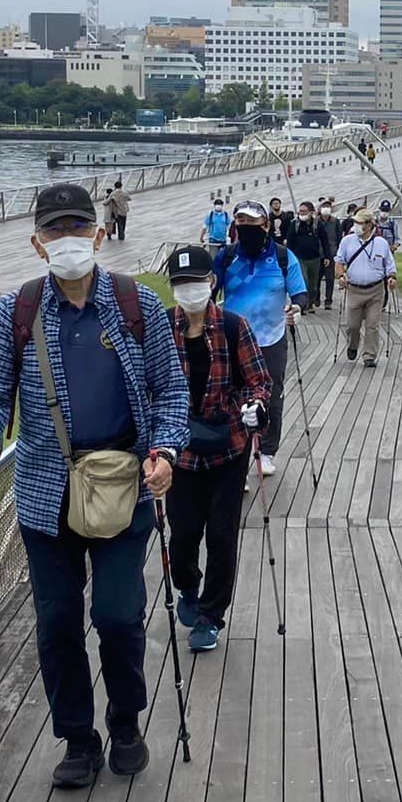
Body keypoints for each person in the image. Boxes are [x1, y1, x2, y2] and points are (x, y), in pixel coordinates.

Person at [0, 183, 187, 787]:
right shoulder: (17, 311)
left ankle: (125, 722)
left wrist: (166, 450)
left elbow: (171, 391)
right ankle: (78, 739)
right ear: (38, 244)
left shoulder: (136, 303)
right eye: (54, 231)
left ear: (98, 234)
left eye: (77, 229)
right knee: (58, 621)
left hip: (123, 486)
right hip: (45, 492)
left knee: (117, 615)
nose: (67, 241)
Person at [162, 245, 269, 653]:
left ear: (211, 282)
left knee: (222, 535)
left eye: (195, 282)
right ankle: (188, 585)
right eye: (180, 283)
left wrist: (255, 406)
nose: (188, 290)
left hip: (228, 445)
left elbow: (258, 380)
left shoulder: (232, 326)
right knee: (183, 532)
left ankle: (211, 615)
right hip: (179, 450)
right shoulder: (162, 327)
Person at [213, 201, 305, 476]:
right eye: (241, 222)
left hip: (271, 337)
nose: (245, 227)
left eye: (251, 223)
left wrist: (296, 308)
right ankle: (237, 455)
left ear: (265, 225)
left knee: (272, 396)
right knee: (231, 397)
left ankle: (266, 450)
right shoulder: (227, 257)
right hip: (232, 339)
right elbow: (211, 290)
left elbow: (300, 293)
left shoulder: (283, 257)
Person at [335, 205, 397, 366]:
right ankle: (353, 344)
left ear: (369, 225)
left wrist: (391, 277)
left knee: (372, 325)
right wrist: (341, 276)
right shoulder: (347, 241)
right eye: (355, 222)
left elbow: (389, 264)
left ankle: (369, 356)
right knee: (352, 326)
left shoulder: (381, 243)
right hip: (354, 290)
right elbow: (339, 261)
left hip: (376, 290)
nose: (355, 226)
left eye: (359, 223)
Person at [287, 200, 328, 306]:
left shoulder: (317, 224)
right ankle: (303, 305)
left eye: (304, 211)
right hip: (299, 258)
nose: (302, 213)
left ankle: (310, 302)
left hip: (315, 258)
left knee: (313, 284)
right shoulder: (294, 224)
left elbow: (324, 240)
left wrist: (327, 256)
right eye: (300, 211)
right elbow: (290, 241)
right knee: (303, 280)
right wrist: (289, 256)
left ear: (311, 212)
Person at [315, 198, 342, 310]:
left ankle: (328, 300)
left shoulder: (335, 221)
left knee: (330, 278)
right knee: (317, 278)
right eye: (324, 207)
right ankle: (316, 298)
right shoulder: (316, 221)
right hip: (318, 253)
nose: (326, 209)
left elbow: (339, 236)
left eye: (328, 207)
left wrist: (338, 251)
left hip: (331, 253)